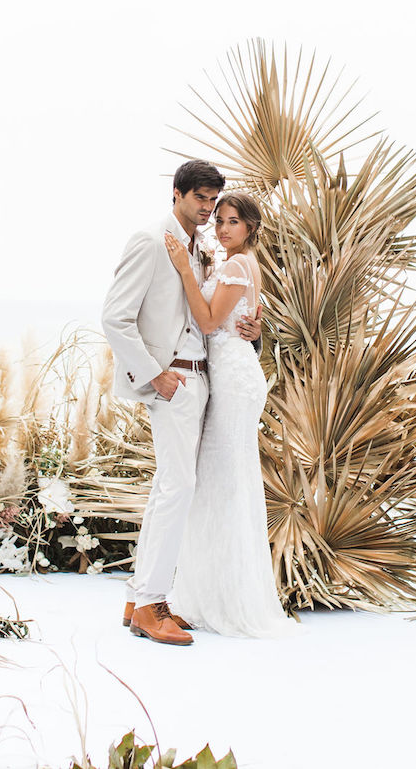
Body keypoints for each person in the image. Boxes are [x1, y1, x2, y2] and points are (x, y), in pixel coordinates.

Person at [101, 161, 262, 646]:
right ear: (177, 194)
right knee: (178, 487)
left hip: (205, 383)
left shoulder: (202, 250)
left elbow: (216, 318)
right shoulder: (152, 241)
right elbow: (115, 318)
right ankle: (152, 604)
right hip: (174, 383)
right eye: (201, 199)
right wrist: (155, 376)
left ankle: (137, 598)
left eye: (214, 202)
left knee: (168, 488)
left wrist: (253, 337)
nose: (208, 209)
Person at [164, 191, 294, 637]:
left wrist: (183, 268)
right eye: (219, 220)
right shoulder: (238, 264)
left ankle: (230, 600)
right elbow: (233, 319)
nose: (222, 229)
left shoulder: (239, 264)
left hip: (234, 381)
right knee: (225, 482)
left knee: (227, 483)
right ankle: (217, 592)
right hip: (232, 373)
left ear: (250, 227)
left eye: (232, 221)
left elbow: (207, 322)